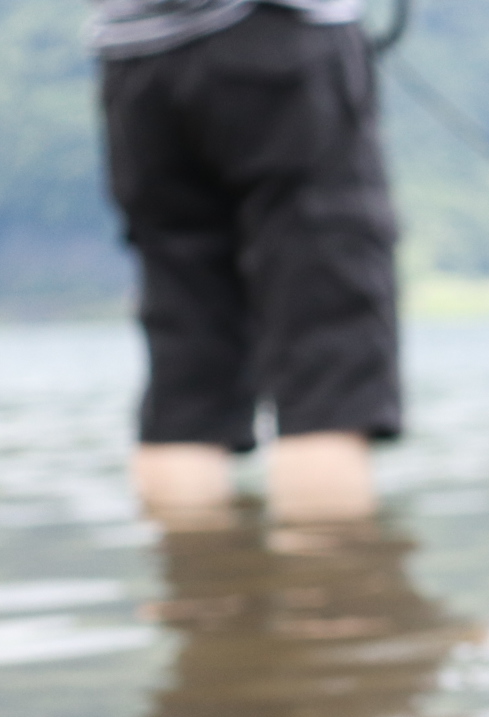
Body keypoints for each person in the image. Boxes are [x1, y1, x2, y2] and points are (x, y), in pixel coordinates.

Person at [92, 0, 400, 526]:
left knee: (186, 374)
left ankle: (201, 593)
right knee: (327, 361)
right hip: (276, 42)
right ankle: (338, 596)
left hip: (134, 60)